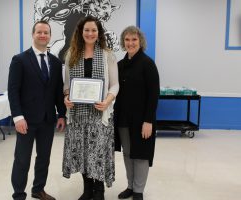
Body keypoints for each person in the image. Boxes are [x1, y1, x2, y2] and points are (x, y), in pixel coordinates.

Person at [8, 20, 66, 200]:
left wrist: (62, 114)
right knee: (22, 159)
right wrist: (18, 117)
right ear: (33, 35)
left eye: (46, 32)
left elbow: (57, 91)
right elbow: (13, 90)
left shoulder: (56, 63)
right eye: (39, 32)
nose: (43, 35)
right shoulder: (20, 60)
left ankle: (38, 189)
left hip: (48, 120)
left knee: (43, 159)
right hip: (26, 120)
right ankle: (18, 194)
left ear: (50, 36)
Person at [63, 16, 119, 200]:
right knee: (82, 153)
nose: (90, 33)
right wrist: (66, 98)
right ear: (80, 32)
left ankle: (99, 191)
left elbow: (115, 85)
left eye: (93, 30)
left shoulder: (107, 55)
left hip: (99, 113)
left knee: (98, 153)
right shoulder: (72, 53)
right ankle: (87, 190)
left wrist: (108, 101)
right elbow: (67, 86)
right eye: (86, 30)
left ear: (98, 33)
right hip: (78, 116)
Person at [114, 26, 160, 200]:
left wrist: (148, 121)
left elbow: (154, 94)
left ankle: (139, 190)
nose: (130, 43)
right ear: (123, 42)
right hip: (123, 119)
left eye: (134, 39)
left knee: (140, 154)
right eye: (127, 39)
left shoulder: (148, 64)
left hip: (142, 120)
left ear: (140, 41)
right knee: (127, 153)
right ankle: (130, 186)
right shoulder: (119, 65)